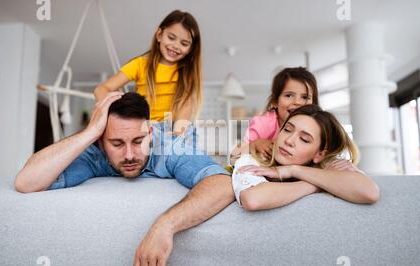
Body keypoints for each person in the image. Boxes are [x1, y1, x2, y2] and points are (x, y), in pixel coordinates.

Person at [14, 92, 235, 266]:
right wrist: (90, 132)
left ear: (149, 134)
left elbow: (222, 184)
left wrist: (164, 226)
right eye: (117, 143)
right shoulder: (95, 152)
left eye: (138, 141)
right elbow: (26, 181)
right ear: (101, 141)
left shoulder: (169, 146)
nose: (129, 155)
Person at [232, 104, 380, 210]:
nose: (289, 141)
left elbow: (369, 192)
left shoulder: (331, 165)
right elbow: (253, 199)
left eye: (304, 139)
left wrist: (293, 170)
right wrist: (316, 185)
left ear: (319, 154)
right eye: (287, 130)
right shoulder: (252, 160)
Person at [94, 10, 202, 135]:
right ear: (159, 35)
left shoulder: (187, 74)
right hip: (141, 126)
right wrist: (117, 113)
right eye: (171, 38)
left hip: (170, 130)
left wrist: (177, 134)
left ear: (191, 49)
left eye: (184, 43)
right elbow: (101, 89)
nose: (176, 46)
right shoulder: (140, 65)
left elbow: (186, 106)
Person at [230, 67, 318, 164]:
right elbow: (235, 155)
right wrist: (254, 144)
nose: (297, 102)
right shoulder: (263, 123)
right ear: (275, 101)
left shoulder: (316, 126)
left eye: (305, 97)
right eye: (289, 95)